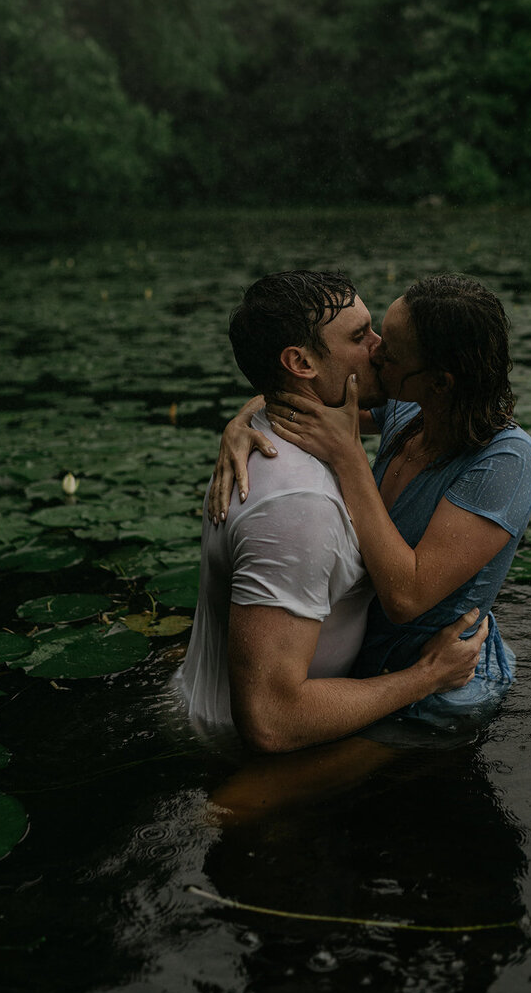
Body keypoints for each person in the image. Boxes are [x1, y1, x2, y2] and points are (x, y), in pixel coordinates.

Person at [177, 270, 489, 752]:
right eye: (360, 336)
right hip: (243, 756)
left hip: (213, 718)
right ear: (299, 362)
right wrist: (427, 676)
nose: (381, 348)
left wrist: (239, 417)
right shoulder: (298, 506)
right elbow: (272, 720)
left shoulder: (274, 431)